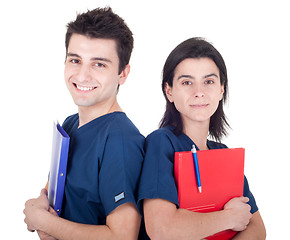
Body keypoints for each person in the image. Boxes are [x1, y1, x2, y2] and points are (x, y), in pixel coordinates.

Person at [23, 7, 144, 240]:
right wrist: (40, 206)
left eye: (99, 64)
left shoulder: (120, 140)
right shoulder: (70, 124)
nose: (82, 75)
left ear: (123, 74)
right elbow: (54, 193)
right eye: (75, 60)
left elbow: (123, 236)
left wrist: (45, 222)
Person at [137, 37, 266, 239]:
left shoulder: (224, 154)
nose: (199, 92)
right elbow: (162, 229)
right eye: (187, 82)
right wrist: (229, 217)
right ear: (169, 91)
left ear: (221, 89)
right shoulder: (161, 143)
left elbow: (257, 230)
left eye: (209, 81)